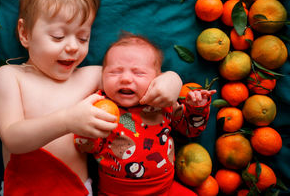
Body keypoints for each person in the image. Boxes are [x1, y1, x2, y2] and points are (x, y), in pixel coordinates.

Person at [0, 0, 183, 196]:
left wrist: (173, 80)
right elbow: (13, 138)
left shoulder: (91, 75)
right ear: (25, 34)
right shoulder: (10, 76)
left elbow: (135, 80)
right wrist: (66, 121)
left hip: (78, 190)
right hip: (24, 189)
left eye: (83, 37)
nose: (73, 46)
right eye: (58, 37)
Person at [74, 33, 216, 196]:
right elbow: (85, 146)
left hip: (165, 189)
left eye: (139, 73)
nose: (126, 79)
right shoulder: (99, 105)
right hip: (115, 192)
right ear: (102, 77)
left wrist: (197, 107)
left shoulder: (162, 103)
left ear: (156, 79)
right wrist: (85, 125)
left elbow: (191, 129)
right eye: (115, 72)